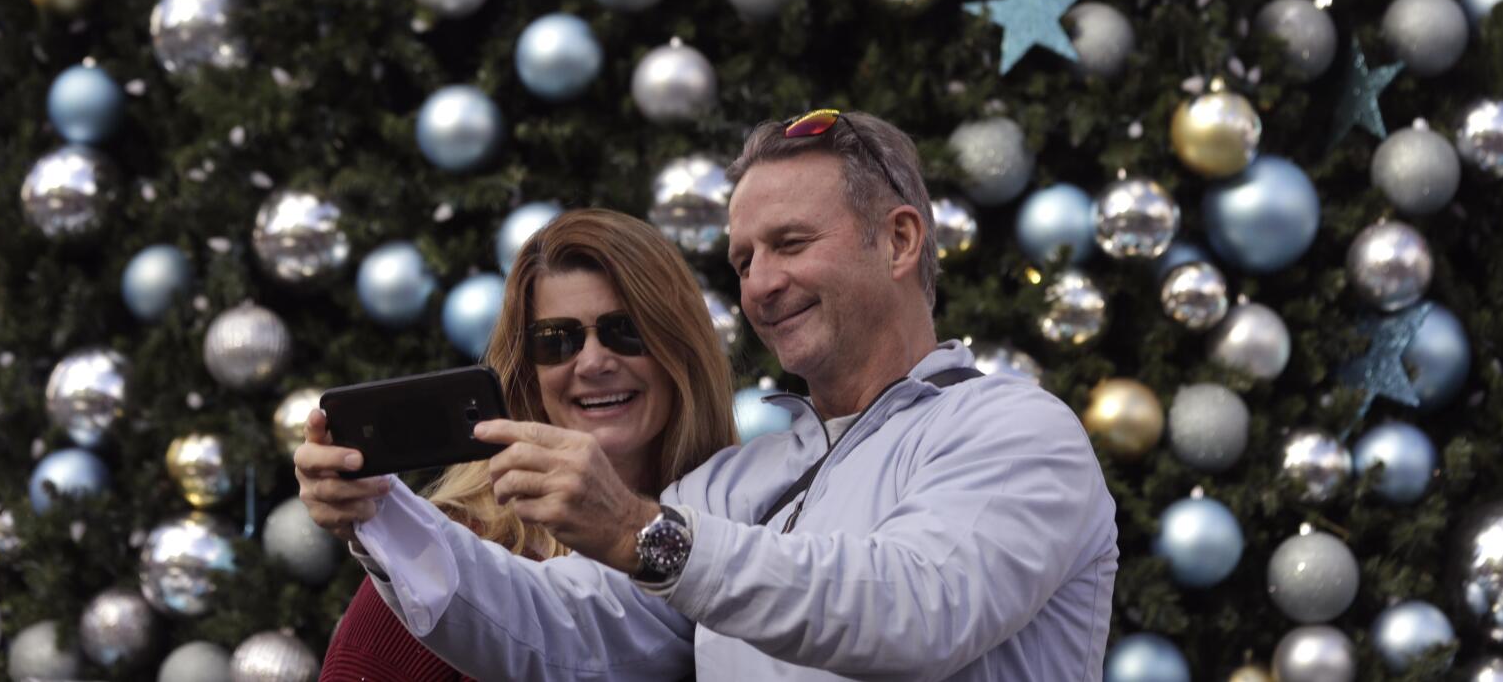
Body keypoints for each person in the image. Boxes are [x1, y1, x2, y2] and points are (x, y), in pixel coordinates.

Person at [296, 109, 1118, 681]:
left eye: (790, 243)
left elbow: (916, 609)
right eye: (744, 258)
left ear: (900, 240)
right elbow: (558, 635)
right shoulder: (734, 483)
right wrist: (380, 510)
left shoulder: (1012, 427)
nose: (762, 283)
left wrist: (637, 530)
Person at [314, 208, 737, 682]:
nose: (594, 362)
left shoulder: (740, 536)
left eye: (627, 331)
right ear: (528, 376)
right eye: (557, 340)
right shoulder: (441, 556)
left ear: (681, 348)